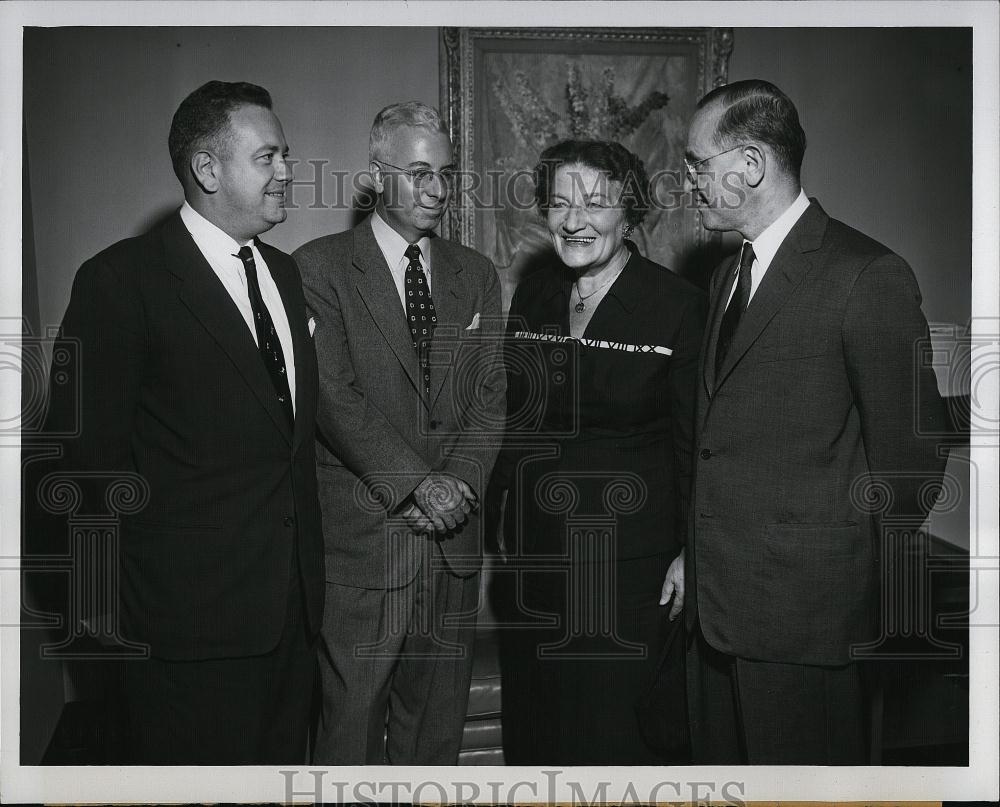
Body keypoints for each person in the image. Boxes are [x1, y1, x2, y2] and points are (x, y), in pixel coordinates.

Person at [43, 81, 324, 763]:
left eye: (285, 154)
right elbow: (86, 468)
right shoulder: (121, 280)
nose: (288, 172)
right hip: (181, 637)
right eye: (268, 157)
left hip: (293, 621)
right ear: (207, 170)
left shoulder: (285, 275)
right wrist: (109, 637)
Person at [679, 79, 948, 764]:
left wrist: (832, 582)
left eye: (697, 165)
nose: (688, 183)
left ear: (750, 165)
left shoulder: (866, 275)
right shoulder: (725, 275)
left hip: (807, 627)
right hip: (716, 617)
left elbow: (911, 468)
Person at [292, 101, 505, 765]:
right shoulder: (318, 267)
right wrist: (416, 485)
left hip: (452, 546)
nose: (437, 190)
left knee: (435, 732)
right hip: (366, 543)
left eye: (445, 174)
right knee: (349, 727)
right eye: (419, 174)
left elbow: (492, 395)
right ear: (378, 174)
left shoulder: (476, 273)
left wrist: (459, 484)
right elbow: (334, 396)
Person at [494, 139, 705, 764]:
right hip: (537, 559)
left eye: (595, 203)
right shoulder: (534, 297)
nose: (574, 220)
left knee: (613, 738)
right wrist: (502, 511)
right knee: (538, 732)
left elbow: (697, 442)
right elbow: (516, 416)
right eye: (559, 203)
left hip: (629, 567)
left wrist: (694, 549)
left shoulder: (676, 307)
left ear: (630, 211)